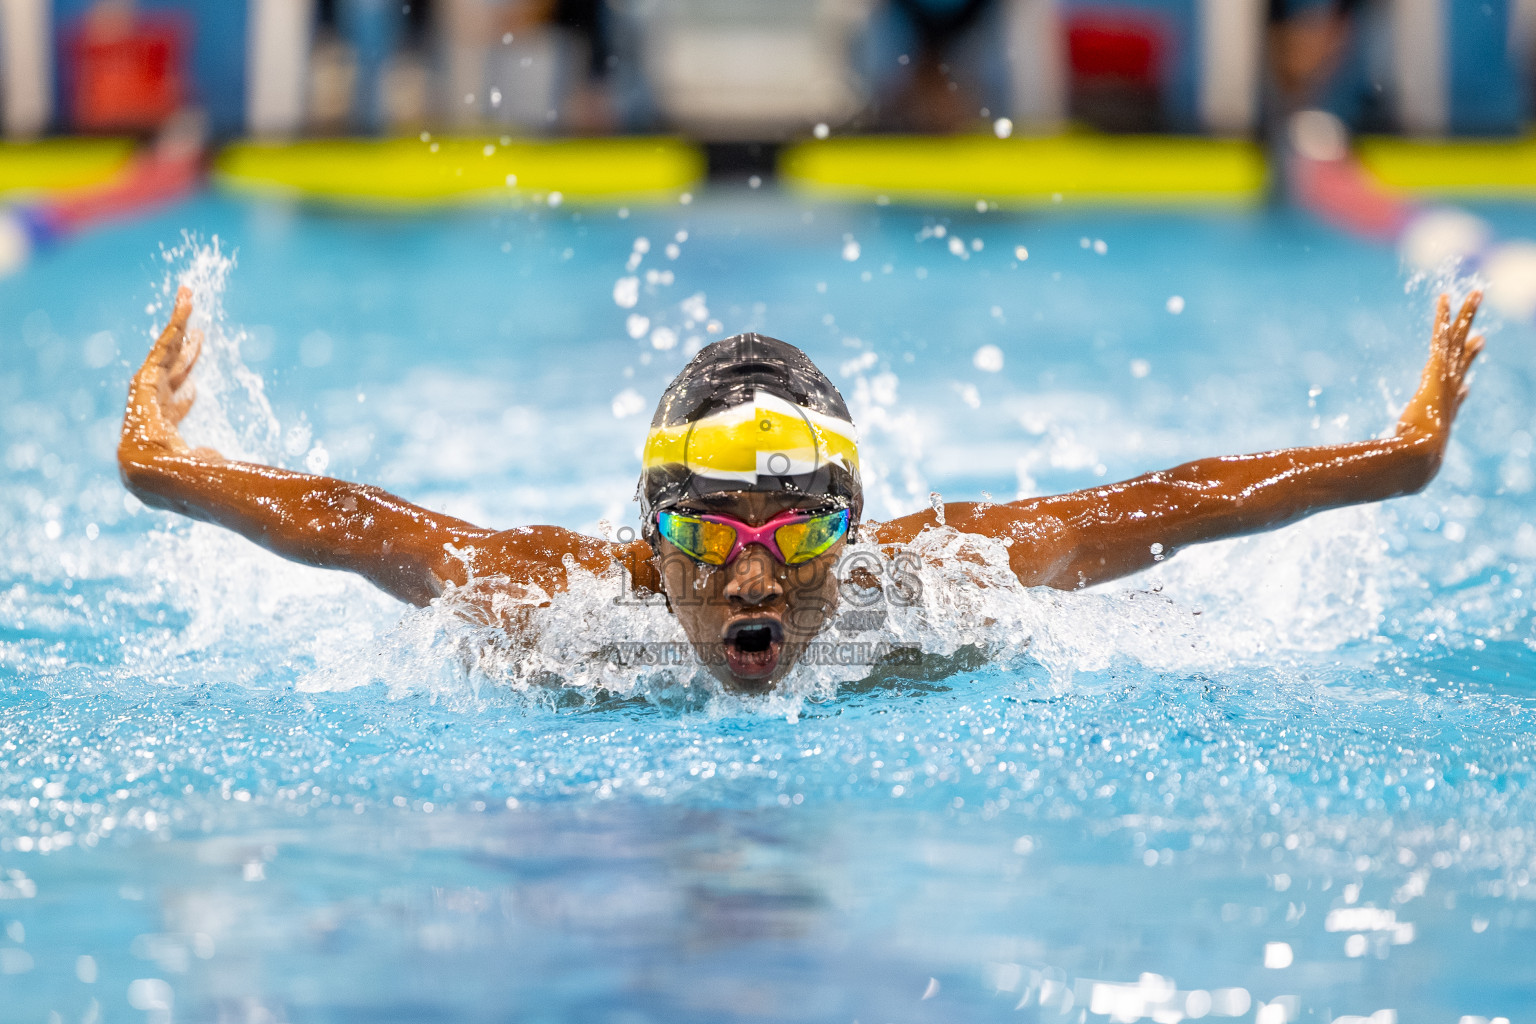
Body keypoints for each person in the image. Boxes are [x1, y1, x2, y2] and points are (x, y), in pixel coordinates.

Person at [119, 288, 1484, 692]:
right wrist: (161, 461)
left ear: (857, 526)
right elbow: (345, 525)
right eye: (712, 534)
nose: (757, 575)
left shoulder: (930, 583)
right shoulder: (559, 604)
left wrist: (1402, 456)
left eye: (805, 530)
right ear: (649, 543)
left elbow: (1173, 503)